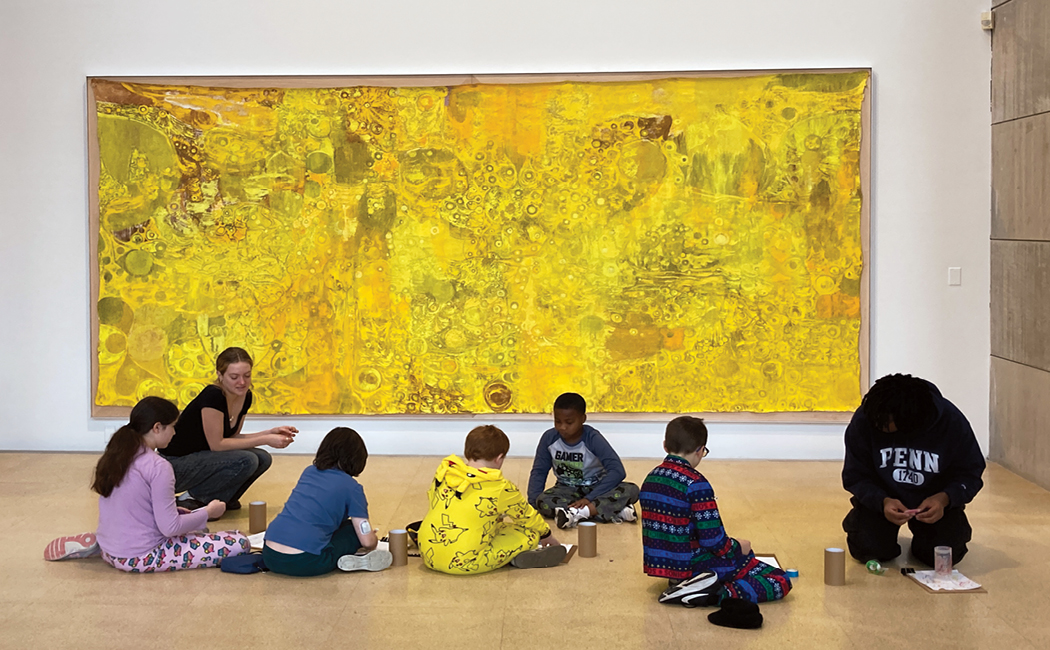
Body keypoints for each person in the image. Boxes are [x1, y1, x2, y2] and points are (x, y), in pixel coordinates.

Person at [640, 416, 791, 606]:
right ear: (700, 450)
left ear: (665, 446)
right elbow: (713, 541)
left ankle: (685, 584)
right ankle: (713, 592)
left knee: (745, 559)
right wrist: (737, 546)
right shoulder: (696, 484)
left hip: (663, 565)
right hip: (694, 564)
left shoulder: (650, 478)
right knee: (779, 579)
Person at [92, 396, 250, 572]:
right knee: (239, 542)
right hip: (141, 555)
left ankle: (98, 541)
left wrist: (179, 512)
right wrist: (208, 512)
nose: (175, 433)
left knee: (196, 531)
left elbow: (138, 505)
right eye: (173, 427)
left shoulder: (118, 455)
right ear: (157, 428)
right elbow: (170, 528)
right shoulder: (158, 466)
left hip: (109, 551)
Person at [842, 373, 985, 567]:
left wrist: (944, 499)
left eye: (885, 424)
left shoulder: (951, 422)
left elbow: (970, 473)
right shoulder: (866, 418)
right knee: (869, 549)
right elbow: (855, 475)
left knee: (943, 556)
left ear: (908, 423)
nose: (877, 425)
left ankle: (927, 537)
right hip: (883, 499)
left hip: (935, 501)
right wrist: (882, 500)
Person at [162, 347, 297, 514]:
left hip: (203, 457)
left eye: (247, 376)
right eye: (234, 377)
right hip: (175, 463)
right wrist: (266, 439)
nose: (242, 382)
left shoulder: (245, 395)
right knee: (247, 460)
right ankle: (190, 499)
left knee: (262, 458)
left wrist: (271, 432)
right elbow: (217, 444)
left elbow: (232, 437)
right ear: (220, 376)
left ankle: (224, 498)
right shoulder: (213, 395)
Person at [420, 425, 565, 575]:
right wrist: (546, 535)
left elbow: (434, 500)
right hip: (463, 563)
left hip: (428, 554)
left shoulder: (445, 472)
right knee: (530, 534)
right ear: (499, 458)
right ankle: (513, 558)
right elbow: (526, 516)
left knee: (496, 525)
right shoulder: (500, 487)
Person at [262, 427, 392, 576]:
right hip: (306, 561)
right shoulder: (352, 487)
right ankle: (344, 558)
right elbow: (367, 542)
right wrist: (373, 540)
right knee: (351, 530)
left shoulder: (309, 471)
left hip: (270, 556)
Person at [527, 392, 639, 529]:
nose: (563, 427)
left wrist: (590, 497)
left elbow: (617, 471)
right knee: (542, 501)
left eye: (569, 422)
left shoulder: (593, 438)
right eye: (558, 421)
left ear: (583, 419)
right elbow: (539, 471)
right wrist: (532, 505)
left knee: (632, 490)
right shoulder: (549, 438)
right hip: (566, 489)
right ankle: (612, 511)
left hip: (597, 487)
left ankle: (577, 513)